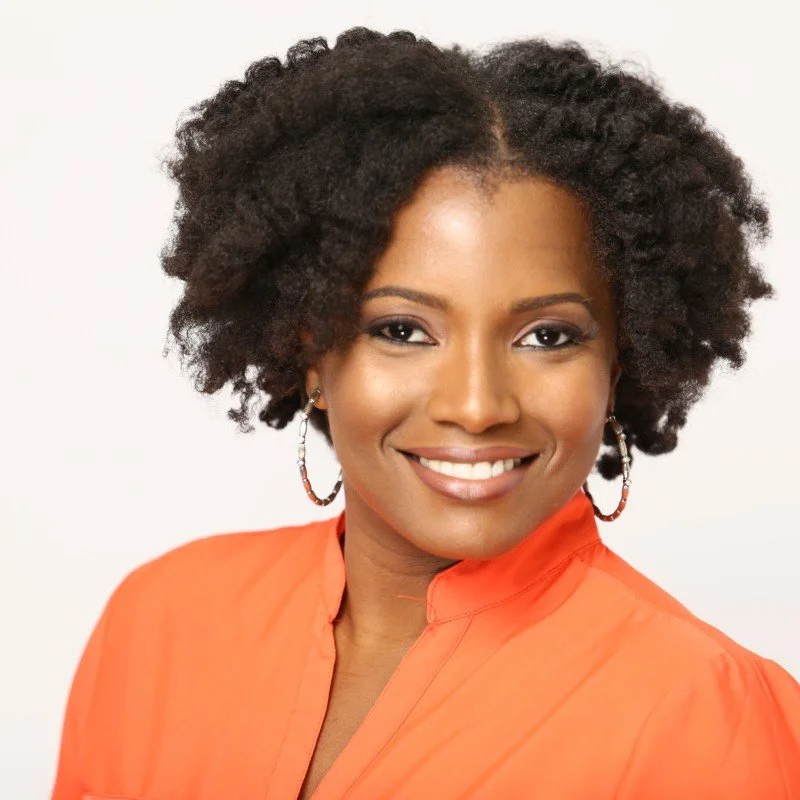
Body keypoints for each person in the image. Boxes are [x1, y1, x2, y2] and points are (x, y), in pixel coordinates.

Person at [51, 26, 800, 799]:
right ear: (310, 348)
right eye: (402, 330)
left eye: (547, 336)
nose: (476, 406)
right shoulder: (163, 624)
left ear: (618, 361)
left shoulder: (705, 711)